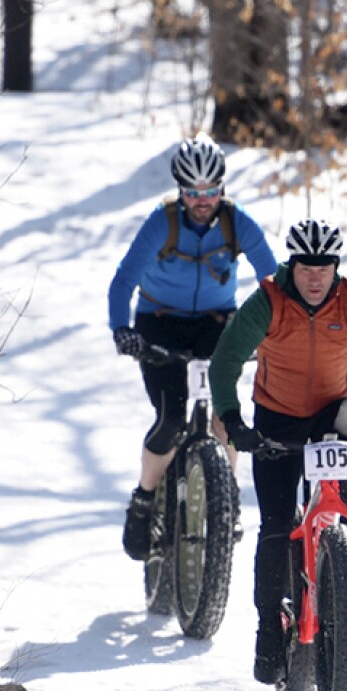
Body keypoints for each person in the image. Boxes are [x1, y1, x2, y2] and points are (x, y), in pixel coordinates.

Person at [210, 218, 347, 684]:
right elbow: (226, 359)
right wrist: (234, 421)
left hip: (331, 410)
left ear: (336, 267)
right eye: (306, 267)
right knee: (275, 526)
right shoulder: (268, 301)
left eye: (325, 267)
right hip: (275, 416)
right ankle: (268, 629)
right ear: (292, 266)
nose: (315, 277)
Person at [108, 133, 278, 561]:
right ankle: (145, 499)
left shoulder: (236, 223)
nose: (203, 201)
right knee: (170, 419)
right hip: (159, 324)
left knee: (227, 416)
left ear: (222, 187)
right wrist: (121, 329)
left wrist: (277, 329)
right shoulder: (162, 223)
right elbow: (123, 281)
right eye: (193, 193)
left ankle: (228, 498)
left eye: (211, 192)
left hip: (215, 326)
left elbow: (273, 281)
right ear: (181, 191)